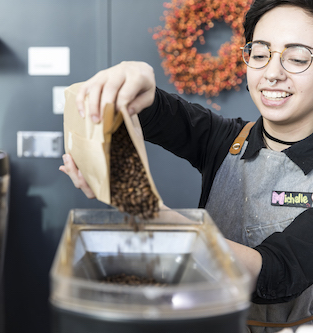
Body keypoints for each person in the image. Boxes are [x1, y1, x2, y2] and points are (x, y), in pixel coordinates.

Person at [59, 0, 313, 332]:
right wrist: (137, 78)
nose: (272, 73)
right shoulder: (225, 140)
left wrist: (152, 214)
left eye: (296, 58)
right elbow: (162, 112)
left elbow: (275, 271)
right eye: (261, 54)